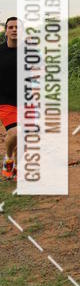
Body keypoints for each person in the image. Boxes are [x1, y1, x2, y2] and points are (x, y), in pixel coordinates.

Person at [0, 17, 18, 181]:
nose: (14, 29)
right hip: (5, 100)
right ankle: (8, 158)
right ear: (6, 31)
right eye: (10, 27)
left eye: (17, 27)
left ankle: (17, 167)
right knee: (14, 132)